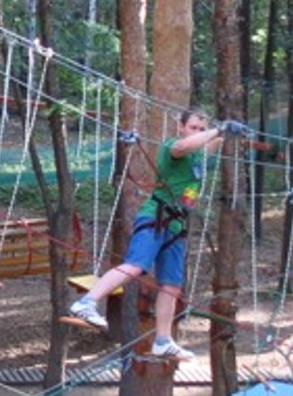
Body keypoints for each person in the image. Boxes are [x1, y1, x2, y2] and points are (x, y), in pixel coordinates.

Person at [66, 109, 237, 359]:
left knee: (171, 286)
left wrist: (232, 134)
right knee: (135, 266)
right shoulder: (173, 148)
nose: (198, 133)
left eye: (202, 129)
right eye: (193, 127)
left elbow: (210, 144)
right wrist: (219, 128)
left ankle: (163, 340)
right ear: (180, 127)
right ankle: (86, 302)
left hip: (176, 226)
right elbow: (188, 145)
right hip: (156, 217)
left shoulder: (198, 156)